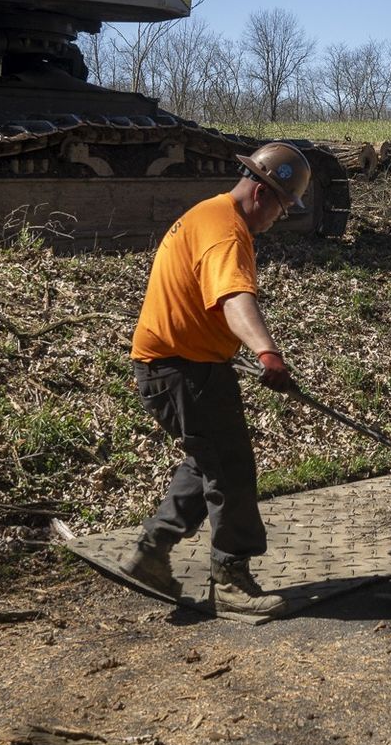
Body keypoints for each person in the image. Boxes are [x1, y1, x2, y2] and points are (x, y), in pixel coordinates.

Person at [120, 142, 311, 614]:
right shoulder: (227, 231)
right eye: (283, 208)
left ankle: (150, 552)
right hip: (183, 368)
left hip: (173, 365)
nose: (278, 219)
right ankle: (231, 580)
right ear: (263, 194)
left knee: (208, 460)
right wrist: (268, 354)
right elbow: (233, 299)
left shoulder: (208, 215)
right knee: (232, 469)